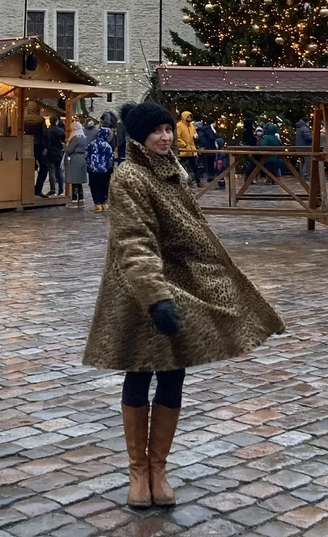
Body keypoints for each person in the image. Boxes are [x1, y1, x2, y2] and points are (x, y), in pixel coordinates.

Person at [83, 102, 284, 509]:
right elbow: (134, 240)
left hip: (180, 286)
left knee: (173, 373)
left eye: (168, 129)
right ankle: (138, 471)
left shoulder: (173, 170)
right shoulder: (129, 176)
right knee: (139, 371)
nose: (165, 137)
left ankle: (158, 468)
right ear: (139, 136)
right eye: (156, 131)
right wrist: (155, 296)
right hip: (140, 289)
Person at [86, 125, 115, 212]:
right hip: (105, 170)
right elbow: (110, 158)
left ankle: (97, 204)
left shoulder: (92, 144)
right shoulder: (107, 146)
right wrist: (109, 167)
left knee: (94, 186)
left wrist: (89, 164)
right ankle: (104, 203)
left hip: (93, 170)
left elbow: (86, 155)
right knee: (104, 186)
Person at [64, 122, 89, 205]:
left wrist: (64, 146)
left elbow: (69, 150)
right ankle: (81, 198)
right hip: (82, 159)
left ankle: (74, 200)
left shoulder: (75, 138)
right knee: (79, 181)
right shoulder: (84, 137)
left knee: (74, 180)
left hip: (75, 159)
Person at [175, 110, 200, 186]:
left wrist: (196, 137)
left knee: (195, 167)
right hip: (184, 151)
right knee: (182, 167)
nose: (189, 118)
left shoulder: (192, 126)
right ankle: (183, 182)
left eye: (190, 117)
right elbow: (177, 137)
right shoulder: (179, 126)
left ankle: (198, 182)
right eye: (188, 116)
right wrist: (184, 145)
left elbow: (195, 134)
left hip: (192, 150)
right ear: (184, 117)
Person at [46, 115, 66, 196]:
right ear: (57, 121)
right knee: (59, 171)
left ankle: (52, 189)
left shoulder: (47, 130)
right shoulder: (60, 131)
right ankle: (61, 190)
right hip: (58, 151)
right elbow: (64, 140)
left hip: (50, 151)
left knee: (51, 170)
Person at [33, 117, 50, 197]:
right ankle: (38, 189)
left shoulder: (23, 117)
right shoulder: (40, 119)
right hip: (39, 145)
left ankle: (27, 188)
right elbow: (45, 133)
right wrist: (46, 147)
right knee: (44, 167)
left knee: (27, 166)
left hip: (26, 144)